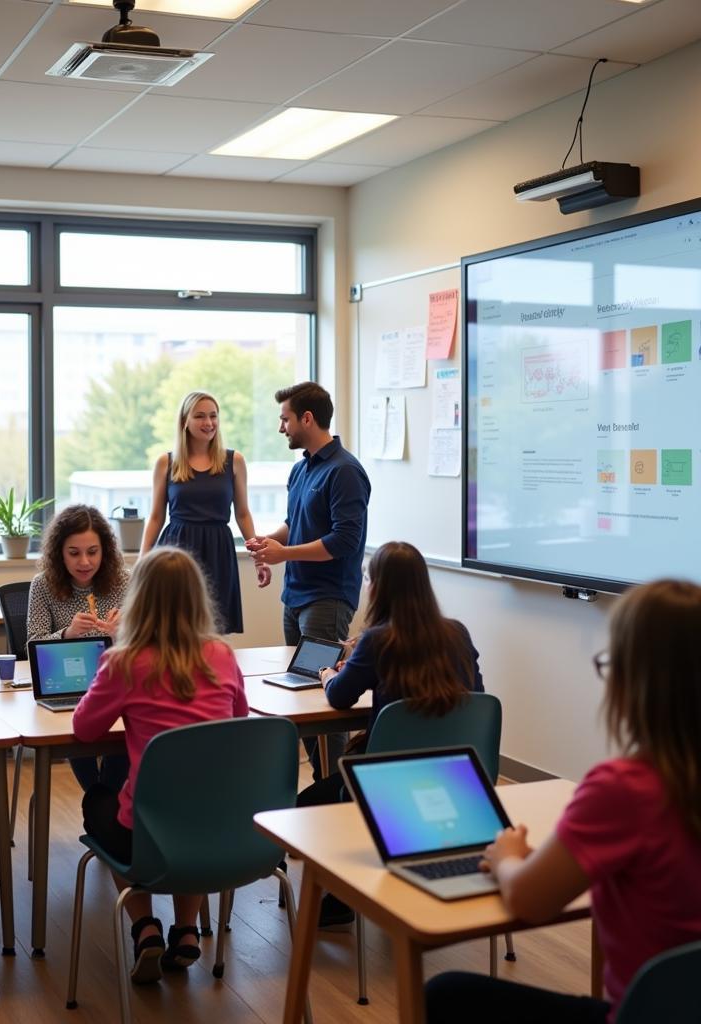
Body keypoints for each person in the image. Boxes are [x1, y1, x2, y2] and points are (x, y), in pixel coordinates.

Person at [425, 578, 701, 1024]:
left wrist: (506, 859)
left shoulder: (625, 789)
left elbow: (531, 901)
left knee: (447, 993)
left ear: (634, 681)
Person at [72, 547, 249, 985]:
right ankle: (187, 929)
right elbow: (240, 721)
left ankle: (144, 926)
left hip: (146, 833)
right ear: (198, 598)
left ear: (139, 599)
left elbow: (84, 729)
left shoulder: (124, 662)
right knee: (192, 805)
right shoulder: (223, 656)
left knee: (99, 799)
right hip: (219, 826)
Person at [307, 540, 484, 926]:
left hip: (387, 779)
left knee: (309, 802)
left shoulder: (377, 640)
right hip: (454, 775)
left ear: (378, 588)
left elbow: (339, 697)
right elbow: (478, 698)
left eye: (369, 577)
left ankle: (339, 900)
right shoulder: (457, 633)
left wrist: (329, 673)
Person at [246, 381, 371, 780]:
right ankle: (325, 784)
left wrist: (285, 554)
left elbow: (344, 541)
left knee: (324, 697)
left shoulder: (346, 471)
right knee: (301, 695)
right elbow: (295, 524)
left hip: (327, 599)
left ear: (307, 418)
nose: (281, 428)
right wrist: (270, 543)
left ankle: (333, 787)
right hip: (295, 597)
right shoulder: (301, 469)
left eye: (285, 419)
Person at [140, 390, 270, 633]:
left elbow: (243, 513)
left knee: (213, 631)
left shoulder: (235, 461)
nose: (208, 423)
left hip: (218, 549)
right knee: (173, 626)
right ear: (184, 421)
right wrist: (142, 561)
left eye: (213, 416)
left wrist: (258, 558)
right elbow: (156, 516)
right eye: (200, 416)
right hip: (177, 550)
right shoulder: (166, 463)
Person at [28, 504, 131, 793]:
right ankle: (100, 800)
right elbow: (33, 644)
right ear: (59, 553)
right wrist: (67, 634)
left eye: (93, 552)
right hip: (67, 684)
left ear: (105, 550)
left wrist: (123, 634)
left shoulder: (125, 580)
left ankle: (102, 801)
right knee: (76, 725)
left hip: (119, 681)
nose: (84, 562)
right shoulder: (43, 585)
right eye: (74, 553)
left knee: (126, 731)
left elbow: (151, 642)